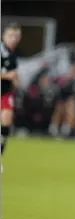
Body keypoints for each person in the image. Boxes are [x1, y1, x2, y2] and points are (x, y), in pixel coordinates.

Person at [1, 23, 22, 172]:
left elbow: (13, 74)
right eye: (11, 35)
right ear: (3, 36)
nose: (13, 39)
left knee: (7, 121)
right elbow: (7, 73)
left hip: (5, 92)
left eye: (16, 36)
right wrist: (7, 75)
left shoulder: (13, 54)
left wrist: (15, 81)